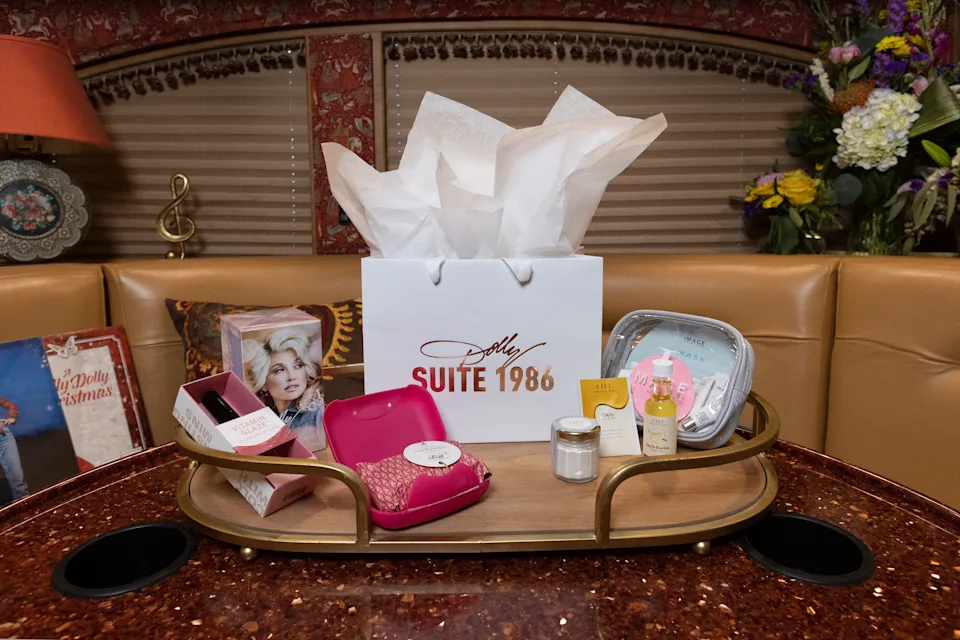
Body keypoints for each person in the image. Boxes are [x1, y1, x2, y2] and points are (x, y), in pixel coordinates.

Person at [243, 327, 325, 451]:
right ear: (263, 382)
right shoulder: (262, 420)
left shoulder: (315, 415)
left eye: (298, 365)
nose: (291, 377)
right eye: (279, 370)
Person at [0, 396, 29, 501]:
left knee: (17, 480)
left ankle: (25, 510)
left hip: (3, 437)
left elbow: (10, 405)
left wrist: (12, 416)